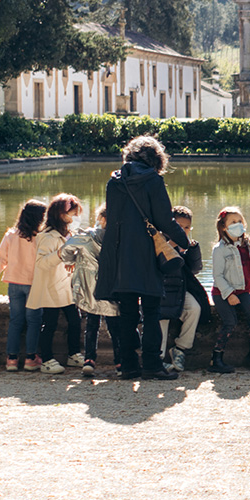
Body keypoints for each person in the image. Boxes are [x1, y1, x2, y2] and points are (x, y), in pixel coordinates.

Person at [95, 135, 190, 381]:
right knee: (151, 312)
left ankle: (128, 366)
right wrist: (185, 241)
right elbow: (164, 220)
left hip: (119, 254)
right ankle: (151, 364)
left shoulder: (114, 182)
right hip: (146, 254)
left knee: (126, 313)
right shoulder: (153, 180)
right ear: (157, 159)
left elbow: (114, 219)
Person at [0, 198, 48, 371]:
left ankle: (11, 359)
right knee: (34, 321)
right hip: (34, 284)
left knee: (16, 321)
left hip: (14, 282)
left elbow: (0, 261)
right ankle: (30, 358)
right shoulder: (41, 237)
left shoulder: (11, 235)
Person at [61, 205, 120, 376]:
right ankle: (119, 362)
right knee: (114, 326)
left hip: (90, 287)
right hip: (111, 287)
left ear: (101, 219)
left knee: (91, 324)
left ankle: (89, 360)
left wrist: (72, 259)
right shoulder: (119, 238)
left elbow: (66, 249)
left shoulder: (87, 236)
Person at [28, 194, 84, 374]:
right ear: (61, 214)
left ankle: (74, 354)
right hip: (51, 287)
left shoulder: (69, 234)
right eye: (72, 214)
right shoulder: (47, 236)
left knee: (75, 321)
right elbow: (42, 263)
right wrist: (61, 254)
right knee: (49, 323)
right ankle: (47, 359)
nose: (74, 218)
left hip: (67, 286)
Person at [209, 206, 250, 374]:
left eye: (240, 221)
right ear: (224, 227)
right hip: (223, 293)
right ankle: (216, 358)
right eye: (233, 222)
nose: (238, 224)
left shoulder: (247, 246)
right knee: (230, 321)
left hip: (242, 290)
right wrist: (229, 294)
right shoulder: (220, 249)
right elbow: (218, 276)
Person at [157, 206, 207, 375]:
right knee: (162, 318)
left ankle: (180, 348)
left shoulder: (187, 246)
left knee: (194, 308)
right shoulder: (160, 242)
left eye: (186, 228)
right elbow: (156, 265)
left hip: (179, 289)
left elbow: (195, 269)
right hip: (162, 290)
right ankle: (159, 357)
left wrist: (192, 251)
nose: (183, 231)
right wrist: (170, 246)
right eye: (179, 227)